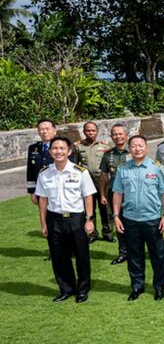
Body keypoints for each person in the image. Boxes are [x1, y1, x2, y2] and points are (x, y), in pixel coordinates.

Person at [35, 137, 96, 303]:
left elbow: (88, 196)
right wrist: (43, 223)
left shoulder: (80, 172)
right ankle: (66, 289)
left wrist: (89, 219)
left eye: (62, 148)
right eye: (55, 148)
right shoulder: (44, 173)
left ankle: (82, 290)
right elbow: (43, 200)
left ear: (69, 151)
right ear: (50, 151)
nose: (58, 151)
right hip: (54, 219)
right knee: (59, 257)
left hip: (76, 218)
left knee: (81, 256)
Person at [111, 135, 164, 301]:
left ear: (146, 148)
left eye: (140, 145)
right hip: (130, 220)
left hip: (152, 219)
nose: (137, 149)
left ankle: (159, 287)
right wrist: (116, 216)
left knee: (157, 255)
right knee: (134, 255)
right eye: (134, 146)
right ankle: (137, 286)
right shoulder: (123, 169)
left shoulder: (156, 168)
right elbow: (117, 193)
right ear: (129, 149)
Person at [74, 122, 113, 242]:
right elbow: (75, 165)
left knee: (105, 208)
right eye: (88, 131)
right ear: (84, 132)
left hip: (102, 180)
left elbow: (109, 165)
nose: (91, 133)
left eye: (93, 130)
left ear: (97, 132)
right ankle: (92, 233)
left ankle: (107, 233)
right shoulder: (78, 147)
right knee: (89, 207)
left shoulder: (105, 146)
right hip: (87, 181)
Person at [99, 124, 131, 265]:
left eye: (120, 134)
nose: (118, 136)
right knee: (118, 223)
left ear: (126, 135)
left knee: (133, 223)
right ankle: (123, 253)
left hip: (132, 194)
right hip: (114, 193)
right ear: (111, 137)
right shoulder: (108, 155)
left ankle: (136, 252)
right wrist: (102, 194)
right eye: (114, 134)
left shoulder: (134, 151)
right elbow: (104, 175)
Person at [28, 118, 76, 204]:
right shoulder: (33, 148)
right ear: (38, 131)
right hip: (41, 189)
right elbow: (30, 171)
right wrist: (32, 191)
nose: (44, 131)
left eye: (47, 129)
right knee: (44, 215)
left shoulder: (63, 146)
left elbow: (70, 168)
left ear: (54, 130)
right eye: (41, 129)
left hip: (59, 187)